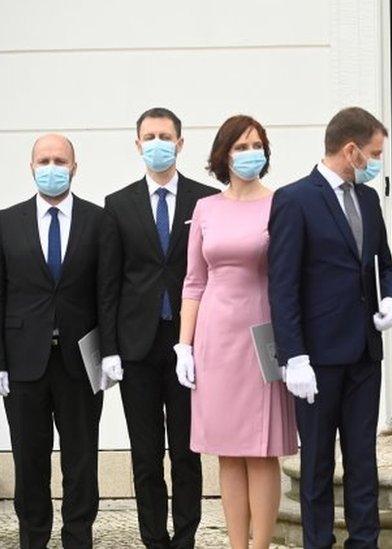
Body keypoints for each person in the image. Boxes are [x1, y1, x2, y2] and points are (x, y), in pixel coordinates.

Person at [269, 107, 392, 549]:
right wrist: (293, 356)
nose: (377, 161)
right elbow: (283, 284)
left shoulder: (367, 198)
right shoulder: (294, 199)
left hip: (365, 352)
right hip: (317, 358)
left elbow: (383, 262)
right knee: (317, 463)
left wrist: (390, 297)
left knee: (363, 458)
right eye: (374, 153)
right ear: (351, 150)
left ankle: (365, 542)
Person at [176, 115, 298, 549]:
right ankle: (236, 544)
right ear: (223, 154)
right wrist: (184, 346)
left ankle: (260, 545)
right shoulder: (206, 208)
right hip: (214, 335)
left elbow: (289, 274)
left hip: (262, 332)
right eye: (241, 146)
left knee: (261, 448)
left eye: (257, 145)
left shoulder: (281, 204)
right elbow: (194, 281)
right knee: (227, 448)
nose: (251, 153)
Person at [98, 108, 218, 548]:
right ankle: (154, 539)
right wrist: (109, 349)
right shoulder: (118, 204)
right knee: (146, 454)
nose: (157, 143)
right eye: (148, 136)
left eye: (164, 135)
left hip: (189, 344)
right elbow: (108, 284)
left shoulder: (206, 200)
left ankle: (185, 537)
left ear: (180, 143)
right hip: (136, 346)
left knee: (187, 450)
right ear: (137, 144)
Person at [0, 134, 104, 548]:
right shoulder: (6, 222)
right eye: (44, 160)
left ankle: (78, 536)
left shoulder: (99, 222)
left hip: (81, 361)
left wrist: (109, 355)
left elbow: (107, 292)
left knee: (81, 459)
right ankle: (34, 537)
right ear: (31, 167)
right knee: (29, 458)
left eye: (60, 160)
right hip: (24, 363)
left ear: (74, 167)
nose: (52, 167)